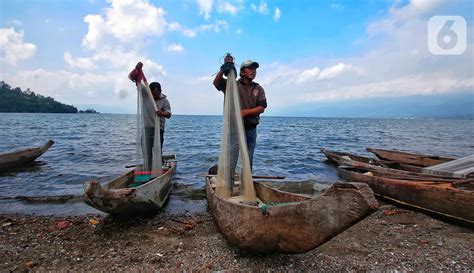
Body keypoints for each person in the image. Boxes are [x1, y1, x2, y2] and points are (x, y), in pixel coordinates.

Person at [213, 54, 267, 176]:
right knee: (231, 162)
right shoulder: (232, 85)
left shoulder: (258, 88)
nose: (253, 71)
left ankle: (245, 189)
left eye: (255, 69)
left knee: (248, 161)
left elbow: (262, 107)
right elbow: (216, 83)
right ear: (242, 71)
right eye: (250, 69)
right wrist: (224, 68)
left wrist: (245, 112)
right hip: (235, 129)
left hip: (251, 130)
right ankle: (229, 188)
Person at [141, 81, 172, 171]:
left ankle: (158, 169)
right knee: (146, 153)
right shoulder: (146, 96)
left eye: (156, 94)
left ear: (160, 91)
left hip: (159, 130)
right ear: (149, 92)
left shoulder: (165, 101)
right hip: (147, 129)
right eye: (153, 94)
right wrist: (137, 71)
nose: (154, 96)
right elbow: (134, 79)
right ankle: (148, 170)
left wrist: (161, 113)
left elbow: (169, 114)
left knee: (157, 152)